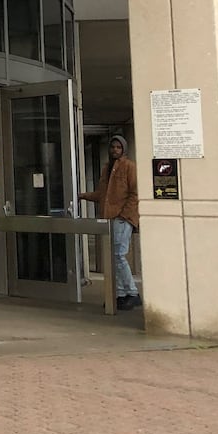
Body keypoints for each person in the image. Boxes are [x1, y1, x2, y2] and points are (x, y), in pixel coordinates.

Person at [80, 133, 141, 311]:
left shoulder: (129, 167)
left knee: (119, 255)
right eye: (113, 147)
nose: (115, 150)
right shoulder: (107, 168)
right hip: (109, 218)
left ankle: (132, 292)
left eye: (118, 147)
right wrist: (83, 196)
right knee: (113, 258)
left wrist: (124, 215)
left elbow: (135, 193)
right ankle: (121, 294)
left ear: (124, 149)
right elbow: (102, 194)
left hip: (122, 218)